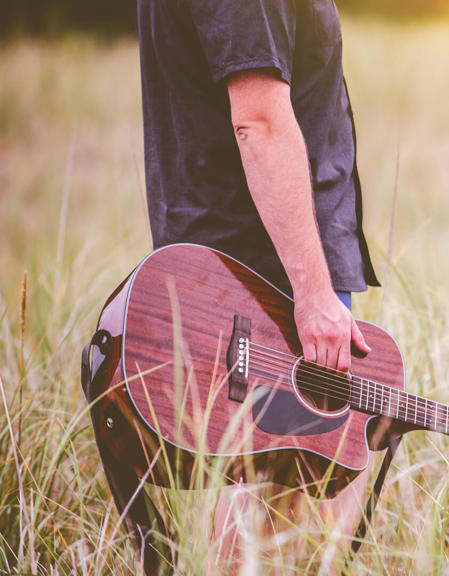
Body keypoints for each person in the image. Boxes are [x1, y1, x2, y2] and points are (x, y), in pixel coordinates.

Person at [136, 0, 379, 567]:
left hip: (259, 267)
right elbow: (260, 122)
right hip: (265, 278)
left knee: (281, 506)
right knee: (269, 512)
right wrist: (316, 296)